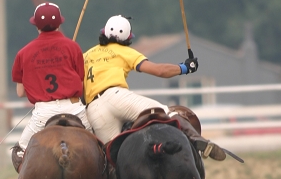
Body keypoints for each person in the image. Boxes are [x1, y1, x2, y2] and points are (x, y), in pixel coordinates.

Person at [83, 14, 226, 161]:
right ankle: (196, 139)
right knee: (165, 112)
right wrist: (185, 67)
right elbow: (160, 71)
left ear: (104, 32)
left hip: (94, 109)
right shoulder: (124, 51)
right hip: (117, 97)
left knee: (113, 159)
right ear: (127, 38)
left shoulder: (86, 55)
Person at [11, 2, 92, 167]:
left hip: (43, 114)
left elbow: (20, 92)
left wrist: (37, 86)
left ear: (36, 26)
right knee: (101, 148)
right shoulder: (73, 47)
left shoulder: (23, 53)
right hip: (74, 110)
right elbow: (80, 82)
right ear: (59, 23)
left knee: (19, 153)